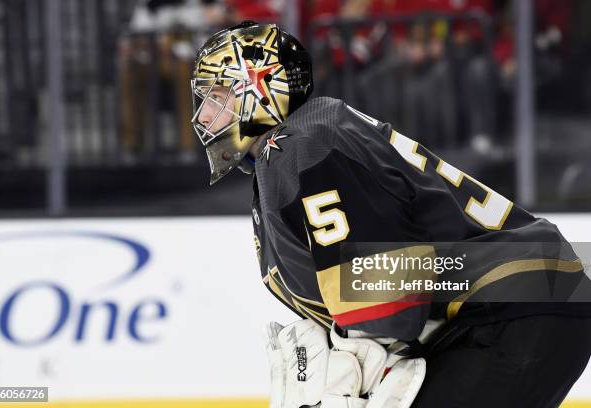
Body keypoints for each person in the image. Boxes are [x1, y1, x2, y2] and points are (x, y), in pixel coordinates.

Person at [190, 21, 591, 407]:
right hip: (516, 306)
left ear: (261, 90)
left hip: (516, 309)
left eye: (217, 96)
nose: (205, 116)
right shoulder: (297, 145)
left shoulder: (302, 146)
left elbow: (390, 301)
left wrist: (354, 367)